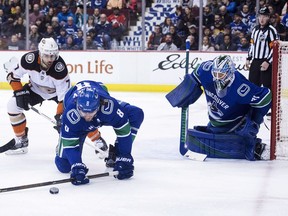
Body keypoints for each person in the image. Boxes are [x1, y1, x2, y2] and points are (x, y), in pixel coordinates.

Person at [4, 37, 106, 155]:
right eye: (47, 56)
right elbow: (12, 76)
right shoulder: (29, 59)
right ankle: (21, 140)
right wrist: (19, 92)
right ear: (40, 53)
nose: (50, 59)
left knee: (77, 113)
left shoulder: (60, 69)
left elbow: (64, 98)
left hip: (57, 93)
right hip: (35, 89)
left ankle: (97, 139)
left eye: (52, 56)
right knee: (12, 105)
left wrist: (60, 116)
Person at [166, 55, 271, 160]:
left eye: (220, 74)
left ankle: (251, 146)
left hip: (235, 124)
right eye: (214, 73)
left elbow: (265, 97)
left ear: (229, 73)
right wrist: (187, 89)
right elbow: (196, 74)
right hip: (215, 122)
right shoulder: (206, 70)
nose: (216, 77)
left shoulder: (241, 87)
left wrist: (255, 120)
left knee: (245, 143)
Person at [54, 80, 144, 185]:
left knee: (136, 114)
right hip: (79, 124)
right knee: (63, 166)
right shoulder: (71, 114)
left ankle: (117, 154)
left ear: (98, 106)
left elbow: (123, 130)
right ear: (77, 105)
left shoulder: (109, 107)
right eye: (83, 112)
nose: (87, 116)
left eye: (91, 112)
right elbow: (70, 144)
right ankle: (62, 141)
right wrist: (77, 165)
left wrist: (124, 156)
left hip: (99, 101)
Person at [246, 7, 279, 118]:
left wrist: (268, 62)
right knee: (252, 85)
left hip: (266, 62)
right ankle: (252, 108)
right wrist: (248, 58)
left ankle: (271, 109)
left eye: (265, 16)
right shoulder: (255, 29)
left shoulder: (271, 31)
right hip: (255, 61)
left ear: (269, 18)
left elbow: (274, 48)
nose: (262, 19)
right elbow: (252, 45)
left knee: (267, 87)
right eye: (260, 16)